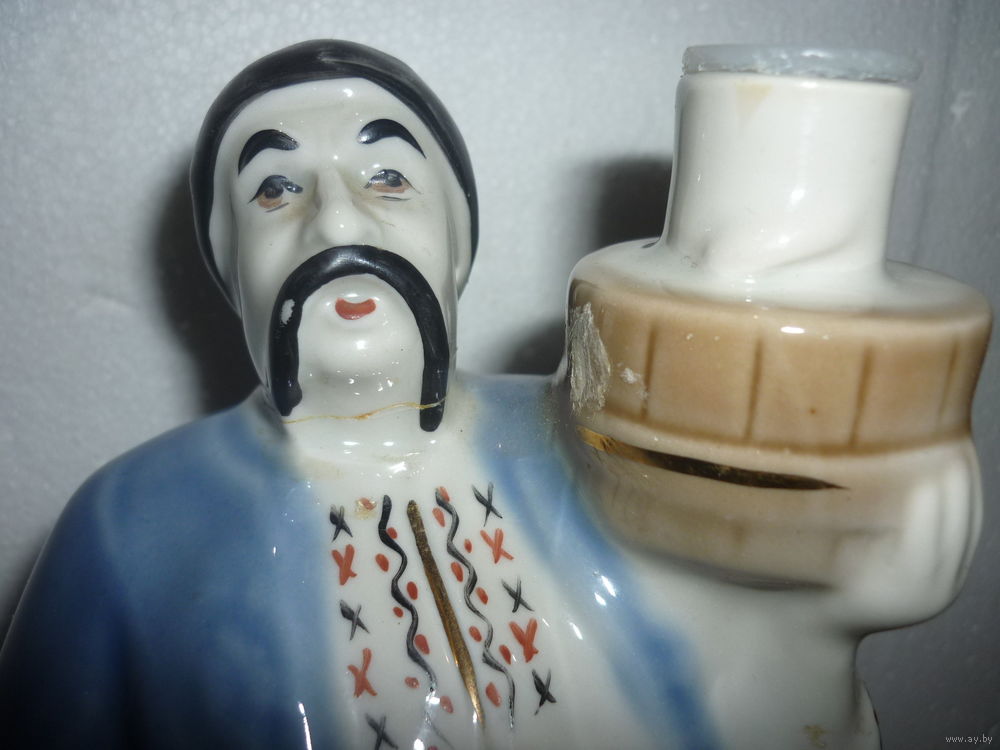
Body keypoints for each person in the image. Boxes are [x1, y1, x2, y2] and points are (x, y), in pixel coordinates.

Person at [0, 41, 714, 750]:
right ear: (233, 271)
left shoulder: (591, 450)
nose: (337, 222)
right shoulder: (127, 531)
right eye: (275, 190)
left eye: (388, 178)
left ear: (456, 245)